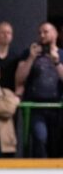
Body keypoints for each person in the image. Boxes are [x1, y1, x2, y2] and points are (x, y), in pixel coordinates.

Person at [15, 22, 63, 157]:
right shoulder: (28, 53)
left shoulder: (62, 54)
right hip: (35, 106)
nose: (42, 35)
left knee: (56, 144)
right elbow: (19, 78)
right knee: (40, 138)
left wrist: (57, 62)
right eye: (40, 32)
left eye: (45, 32)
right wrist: (31, 58)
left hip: (57, 107)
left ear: (55, 34)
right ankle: (40, 169)